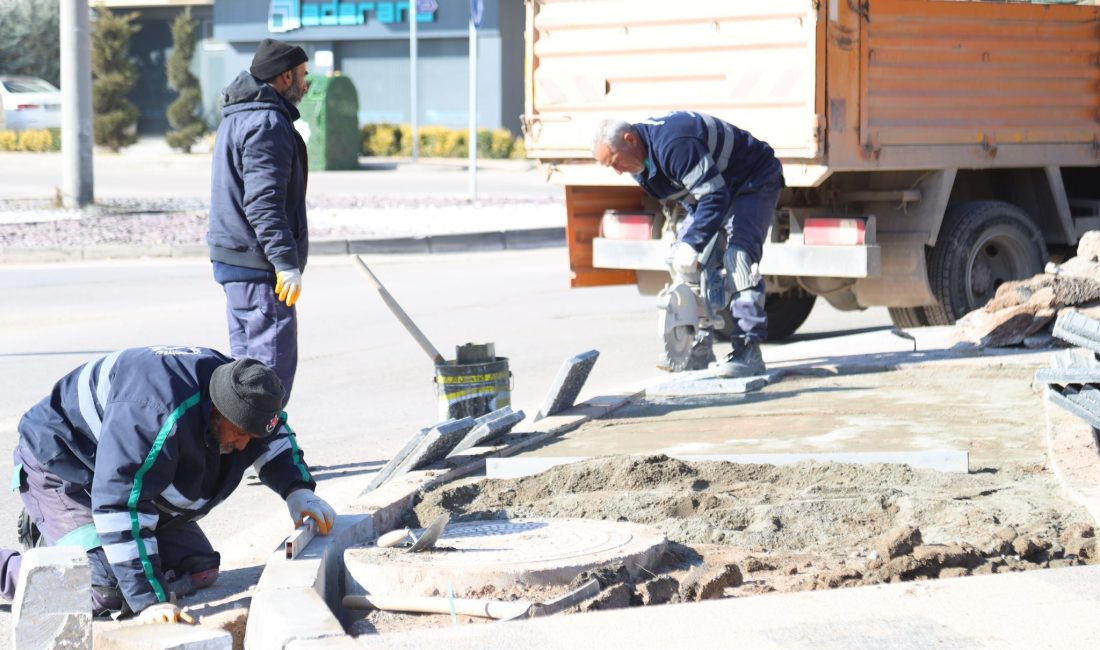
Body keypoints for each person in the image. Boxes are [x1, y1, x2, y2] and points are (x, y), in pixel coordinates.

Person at [0, 347, 336, 624]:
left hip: (117, 473)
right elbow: (120, 503)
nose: (246, 445)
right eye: (240, 433)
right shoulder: (154, 417)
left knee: (199, 569)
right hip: (63, 468)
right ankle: (18, 562)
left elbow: (271, 435)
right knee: (109, 591)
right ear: (217, 411)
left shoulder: (240, 389)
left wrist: (297, 489)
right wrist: (149, 602)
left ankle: (81, 541)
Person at [592, 112, 784, 378]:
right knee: (686, 263)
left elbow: (714, 196)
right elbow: (695, 199)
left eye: (615, 162)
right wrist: (695, 246)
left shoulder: (674, 144)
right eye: (609, 166)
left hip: (753, 178)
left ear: (630, 139)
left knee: (739, 259)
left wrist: (695, 241)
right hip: (716, 188)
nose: (616, 171)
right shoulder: (640, 165)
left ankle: (748, 350)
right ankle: (699, 344)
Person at [207, 38, 311, 406]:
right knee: (269, 375)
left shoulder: (238, 115)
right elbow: (263, 202)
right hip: (259, 267)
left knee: (245, 372)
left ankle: (244, 452)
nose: (306, 83)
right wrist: (285, 264)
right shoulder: (267, 122)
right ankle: (272, 457)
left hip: (235, 261)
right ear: (285, 77)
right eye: (302, 75)